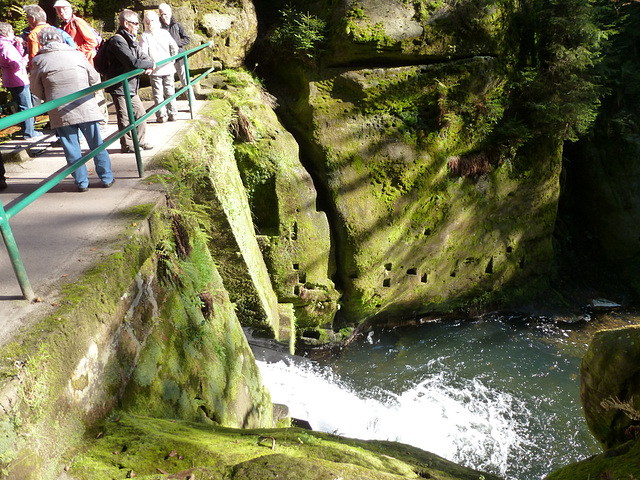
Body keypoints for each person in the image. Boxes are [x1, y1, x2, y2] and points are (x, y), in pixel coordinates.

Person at [30, 27, 113, 192]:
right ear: (60, 39)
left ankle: (82, 182)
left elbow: (35, 89)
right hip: (85, 104)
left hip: (59, 109)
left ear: (42, 42)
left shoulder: (39, 61)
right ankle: (107, 177)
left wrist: (48, 97)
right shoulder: (77, 54)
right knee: (96, 143)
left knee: (71, 146)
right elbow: (95, 78)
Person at [101, 9, 154, 153]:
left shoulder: (131, 39)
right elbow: (132, 62)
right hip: (119, 85)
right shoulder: (118, 41)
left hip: (130, 84)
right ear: (126, 23)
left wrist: (150, 63)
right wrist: (148, 65)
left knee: (141, 114)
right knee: (124, 117)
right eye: (136, 23)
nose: (138, 26)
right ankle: (128, 145)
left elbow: (143, 56)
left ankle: (140, 142)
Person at [53, 0, 109, 125]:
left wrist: (77, 52)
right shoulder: (64, 26)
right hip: (78, 64)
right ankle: (92, 120)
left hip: (88, 63)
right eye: (59, 10)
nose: (62, 12)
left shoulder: (77, 22)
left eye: (64, 9)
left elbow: (92, 42)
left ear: (70, 9)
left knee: (96, 91)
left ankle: (102, 120)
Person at [0, 22, 41, 139]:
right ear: (8, 33)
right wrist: (27, 58)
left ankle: (27, 129)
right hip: (17, 80)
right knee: (26, 106)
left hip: (11, 80)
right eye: (12, 31)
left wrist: (19, 46)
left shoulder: (4, 44)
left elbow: (13, 57)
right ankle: (29, 133)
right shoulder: (6, 46)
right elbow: (15, 65)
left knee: (22, 104)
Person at [139, 10, 178, 123]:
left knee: (158, 93)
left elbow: (143, 53)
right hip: (168, 67)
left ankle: (161, 115)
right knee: (170, 91)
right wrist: (172, 60)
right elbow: (174, 47)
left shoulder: (145, 35)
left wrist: (149, 64)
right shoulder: (164, 32)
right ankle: (173, 113)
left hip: (155, 69)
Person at [158, 3, 191, 96]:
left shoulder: (177, 25)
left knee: (185, 80)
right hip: (167, 58)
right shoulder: (158, 28)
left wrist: (175, 44)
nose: (163, 17)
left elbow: (187, 39)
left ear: (170, 13)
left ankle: (192, 102)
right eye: (161, 14)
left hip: (179, 57)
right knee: (169, 83)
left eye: (165, 14)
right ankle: (172, 107)